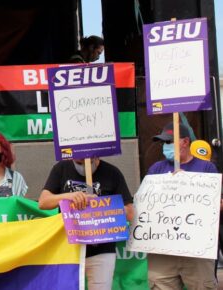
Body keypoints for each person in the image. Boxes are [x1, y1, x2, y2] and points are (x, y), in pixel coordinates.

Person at [38, 157, 133, 290]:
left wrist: (100, 205)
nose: (81, 165)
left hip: (102, 250)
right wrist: (68, 196)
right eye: (77, 162)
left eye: (85, 161)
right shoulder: (61, 168)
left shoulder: (112, 172)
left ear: (96, 156)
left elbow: (129, 213)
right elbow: (43, 202)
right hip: (68, 248)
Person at [145, 122, 220, 290]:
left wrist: (187, 184)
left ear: (185, 142)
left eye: (169, 141)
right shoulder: (156, 169)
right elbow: (144, 204)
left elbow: (216, 205)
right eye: (163, 142)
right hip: (163, 250)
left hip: (197, 249)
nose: (165, 146)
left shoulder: (207, 168)